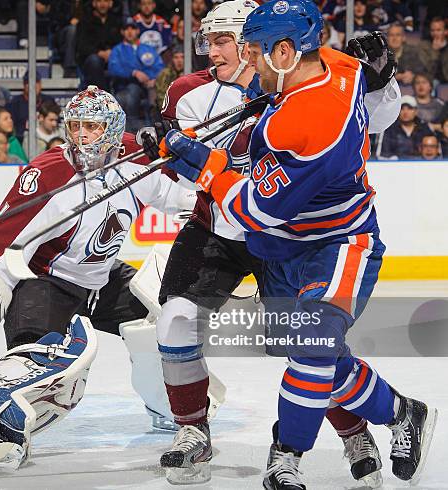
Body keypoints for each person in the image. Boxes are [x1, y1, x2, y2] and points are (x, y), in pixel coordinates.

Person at [159, 1, 437, 487]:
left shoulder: (300, 124)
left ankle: (286, 456)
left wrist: (203, 165)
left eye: (256, 53)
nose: (250, 64)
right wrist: (383, 75)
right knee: (320, 355)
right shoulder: (339, 65)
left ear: (285, 52)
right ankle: (401, 413)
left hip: (336, 243)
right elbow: (362, 85)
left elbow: (255, 210)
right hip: (282, 251)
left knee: (311, 348)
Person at [0, 86, 194, 469]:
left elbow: (182, 194)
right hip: (48, 282)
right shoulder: (49, 173)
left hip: (103, 279)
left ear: (112, 130)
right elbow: (2, 238)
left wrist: (208, 183)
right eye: (75, 125)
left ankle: (173, 406)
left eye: (92, 126)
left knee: (161, 323)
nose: (81, 135)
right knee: (34, 355)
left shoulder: (136, 157)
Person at [108, 17, 164, 132]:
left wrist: (152, 78)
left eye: (132, 28)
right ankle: (130, 131)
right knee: (128, 94)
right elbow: (113, 68)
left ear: (138, 31)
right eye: (126, 29)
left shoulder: (147, 49)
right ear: (122, 32)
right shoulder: (117, 50)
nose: (129, 31)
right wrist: (133, 72)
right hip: (122, 87)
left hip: (145, 88)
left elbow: (158, 66)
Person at [75, 0, 122, 90]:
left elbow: (121, 42)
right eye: (99, 1)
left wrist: (112, 52)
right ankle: (104, 95)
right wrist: (99, 53)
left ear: (110, 3)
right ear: (94, 3)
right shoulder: (85, 21)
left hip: (113, 57)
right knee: (94, 61)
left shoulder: (116, 21)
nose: (103, 4)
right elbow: (82, 46)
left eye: (106, 1)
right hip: (91, 59)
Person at [6, 68, 55, 141]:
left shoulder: (49, 101)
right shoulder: (14, 103)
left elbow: (57, 123)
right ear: (24, 85)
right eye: (29, 82)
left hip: (47, 139)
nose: (33, 85)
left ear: (40, 84)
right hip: (22, 140)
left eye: (36, 82)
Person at [155, 45, 184, 112]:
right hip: (169, 111)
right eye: (176, 57)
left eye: (182, 57)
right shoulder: (165, 74)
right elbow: (161, 97)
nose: (179, 61)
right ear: (172, 59)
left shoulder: (191, 73)